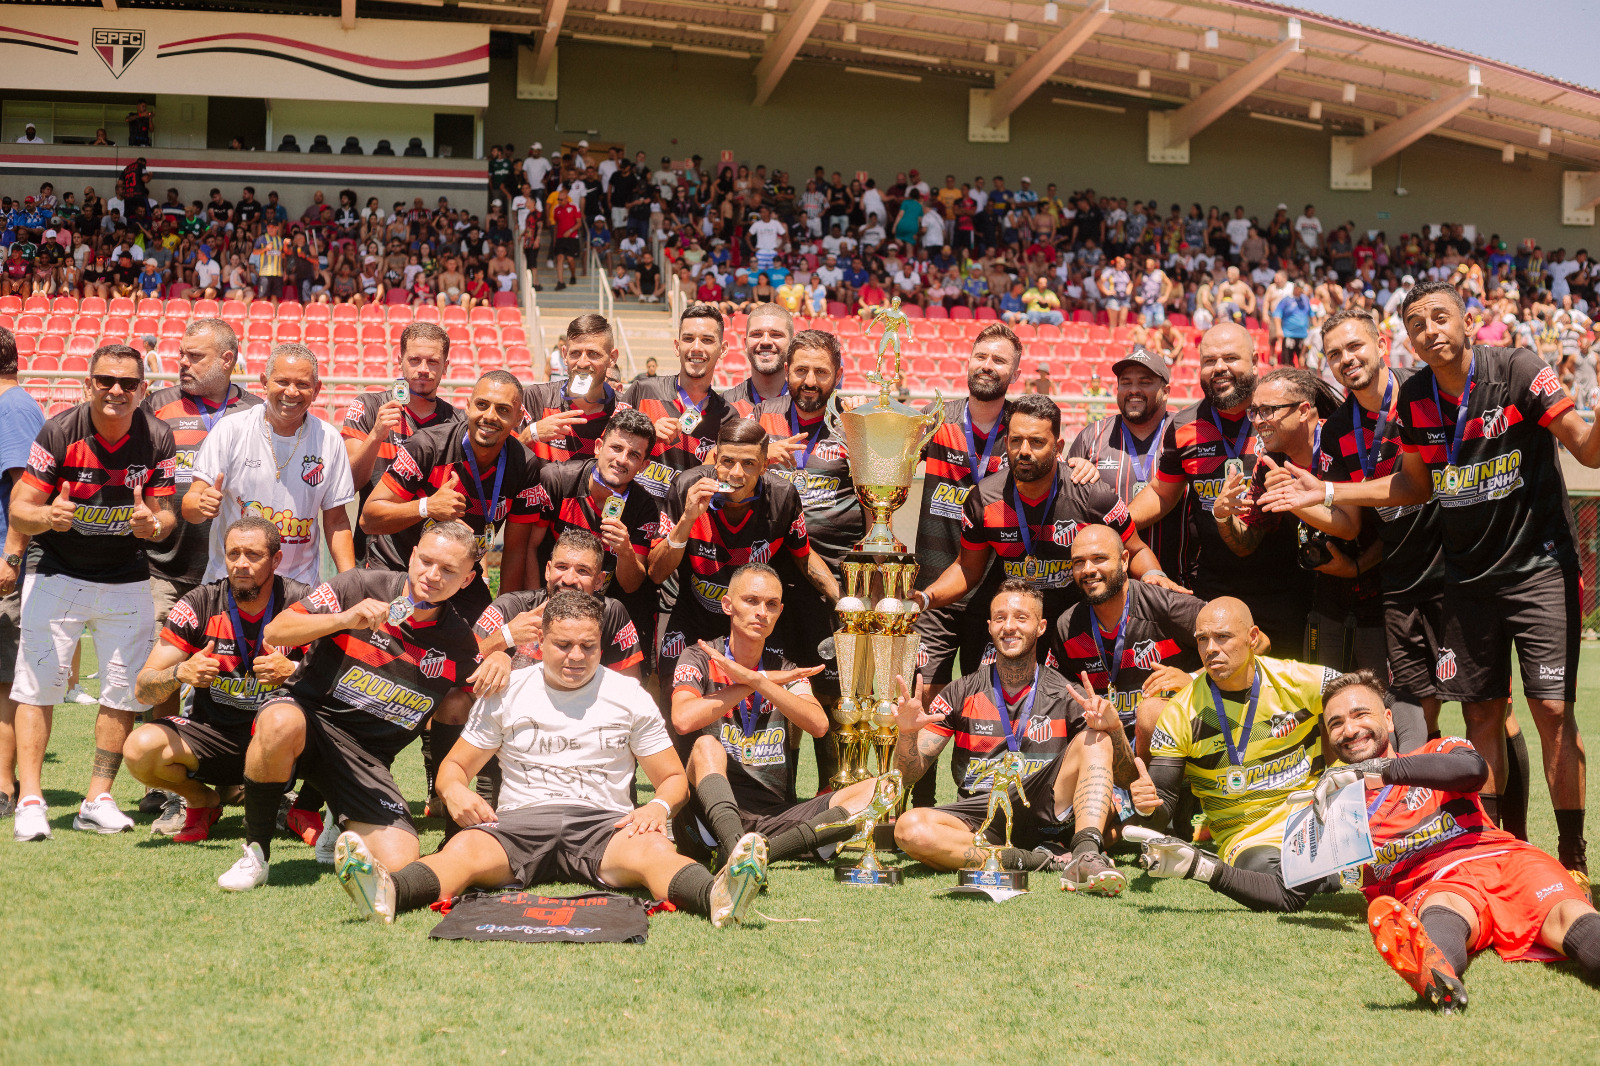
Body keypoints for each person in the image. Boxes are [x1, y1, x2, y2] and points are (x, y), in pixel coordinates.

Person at [1261, 279, 1600, 879]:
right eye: (1419, 323)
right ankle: (1491, 851)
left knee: (1547, 711)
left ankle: (1565, 853)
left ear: (1468, 322)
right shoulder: (1395, 407)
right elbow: (1405, 489)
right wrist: (1322, 490)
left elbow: (1586, 448)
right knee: (1477, 717)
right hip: (1445, 583)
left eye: (1441, 318)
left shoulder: (1513, 369)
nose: (1431, 331)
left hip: (1522, 571)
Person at [329, 589, 768, 928]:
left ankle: (718, 896)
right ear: (541, 640)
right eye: (563, 645)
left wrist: (655, 806)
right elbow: (455, 766)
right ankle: (387, 892)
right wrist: (453, 790)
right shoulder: (509, 689)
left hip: (604, 823)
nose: (576, 657)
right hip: (519, 821)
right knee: (461, 852)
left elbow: (673, 777)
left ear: (601, 645)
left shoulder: (628, 696)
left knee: (655, 850)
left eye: (588, 647)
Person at [216, 521, 492, 892]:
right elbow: (276, 631)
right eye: (426, 561)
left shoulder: (458, 640)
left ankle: (338, 818)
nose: (432, 575)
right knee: (279, 720)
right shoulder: (360, 585)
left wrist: (502, 659)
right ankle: (256, 853)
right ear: (412, 556)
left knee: (401, 861)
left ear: (467, 579)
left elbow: (482, 687)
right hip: (308, 724)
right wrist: (344, 620)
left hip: (368, 760)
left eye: (448, 570)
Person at [1318, 671, 1600, 1012]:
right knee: (1444, 908)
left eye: (1360, 714)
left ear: (1388, 720)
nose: (1349, 729)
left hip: (1505, 859)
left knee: (1568, 915)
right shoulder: (1334, 807)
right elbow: (1287, 889)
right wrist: (1231, 874)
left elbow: (1472, 771)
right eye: (1336, 723)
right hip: (1435, 882)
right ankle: (1437, 975)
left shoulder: (1437, 750)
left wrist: (1380, 770)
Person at [1134, 599, 1419, 900]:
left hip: (1318, 811)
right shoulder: (1180, 713)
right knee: (1265, 873)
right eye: (1202, 639)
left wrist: (1411, 764)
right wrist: (1147, 806)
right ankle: (1339, 868)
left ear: (1252, 638)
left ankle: (1352, 855)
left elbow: (1387, 703)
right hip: (1248, 836)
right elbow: (1161, 805)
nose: (1210, 649)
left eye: (1223, 637)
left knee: (1368, 732)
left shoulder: (1298, 680)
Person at [8, 344, 178, 841]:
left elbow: (166, 516)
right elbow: (20, 509)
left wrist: (155, 523)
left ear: (143, 389)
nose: (116, 391)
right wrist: (47, 517)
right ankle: (33, 800)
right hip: (57, 571)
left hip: (126, 575)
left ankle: (97, 798)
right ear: (89, 384)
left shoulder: (158, 436)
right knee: (37, 689)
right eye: (105, 380)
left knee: (122, 692)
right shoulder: (59, 430)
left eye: (128, 383)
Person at [891, 581, 1129, 893]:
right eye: (1000, 618)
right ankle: (1039, 860)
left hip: (1046, 812)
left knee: (1096, 739)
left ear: (1041, 626)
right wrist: (907, 735)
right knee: (909, 830)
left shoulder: (1066, 693)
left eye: (1021, 617)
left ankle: (1085, 854)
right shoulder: (960, 691)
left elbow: (1124, 775)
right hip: (981, 816)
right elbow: (906, 775)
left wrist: (1113, 729)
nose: (1009, 626)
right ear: (989, 627)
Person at [671, 563, 880, 864]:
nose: (761, 612)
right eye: (751, 601)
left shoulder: (784, 669)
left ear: (780, 611)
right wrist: (751, 684)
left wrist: (759, 680)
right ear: (728, 605)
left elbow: (819, 725)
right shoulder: (700, 657)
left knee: (875, 790)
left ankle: (763, 852)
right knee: (706, 746)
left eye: (771, 604)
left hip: (774, 816)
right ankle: (734, 849)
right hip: (708, 816)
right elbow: (683, 719)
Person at [915, 394, 1170, 635]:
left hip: (1076, 626)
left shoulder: (1092, 495)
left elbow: (1135, 550)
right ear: (1006, 443)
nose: (1024, 450)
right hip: (1017, 625)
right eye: (1016, 440)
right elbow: (967, 568)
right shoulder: (984, 499)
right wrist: (927, 597)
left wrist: (1153, 576)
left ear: (1058, 446)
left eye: (1037, 442)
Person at [123, 517, 308, 842]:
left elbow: (342, 681)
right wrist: (180, 672)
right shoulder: (199, 604)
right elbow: (143, 687)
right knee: (140, 749)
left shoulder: (302, 603)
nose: (241, 564)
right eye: (233, 554)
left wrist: (293, 671)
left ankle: (291, 803)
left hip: (281, 744)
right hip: (214, 739)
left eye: (253, 555)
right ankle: (200, 800)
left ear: (276, 560)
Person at [647, 418, 837, 736]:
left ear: (764, 465)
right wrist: (687, 519)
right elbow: (656, 572)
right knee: (673, 690)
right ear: (715, 459)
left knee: (775, 695)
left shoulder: (782, 495)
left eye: (749, 464)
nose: (736, 473)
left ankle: (763, 774)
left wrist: (841, 598)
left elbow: (803, 558)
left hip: (753, 619)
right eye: (727, 462)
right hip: (696, 613)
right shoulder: (687, 486)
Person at [1130, 322, 1305, 656]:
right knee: (1218, 697)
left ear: (1255, 361)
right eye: (1209, 360)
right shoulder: (1184, 425)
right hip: (1214, 587)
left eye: (1230, 358)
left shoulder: (1282, 413)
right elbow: (1162, 493)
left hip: (1285, 587)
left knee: (1283, 697)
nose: (1219, 368)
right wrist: (1115, 524)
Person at [909, 325, 1020, 804]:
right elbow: (882, 462)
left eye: (999, 360)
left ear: (1014, 371)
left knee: (988, 704)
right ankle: (915, 803)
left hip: (998, 594)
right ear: (967, 361)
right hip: (934, 589)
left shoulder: (1024, 428)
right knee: (922, 696)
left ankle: (980, 804)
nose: (987, 366)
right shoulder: (935, 418)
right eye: (981, 356)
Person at [754, 330, 861, 786]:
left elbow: (879, 498)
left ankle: (830, 795)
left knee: (833, 691)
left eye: (821, 371)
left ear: (838, 374)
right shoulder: (761, 421)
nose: (810, 380)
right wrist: (760, 454)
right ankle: (779, 797)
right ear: (786, 372)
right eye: (801, 370)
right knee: (782, 686)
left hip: (835, 581)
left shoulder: (854, 425)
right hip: (774, 580)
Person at [142, 320, 262, 714]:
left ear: (227, 360)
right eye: (182, 354)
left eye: (195, 356)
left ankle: (229, 769)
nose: (183, 363)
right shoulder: (156, 405)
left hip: (234, 572)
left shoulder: (258, 411)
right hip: (165, 568)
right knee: (165, 675)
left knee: (231, 675)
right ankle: (163, 772)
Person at [358, 370, 537, 623]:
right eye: (482, 405)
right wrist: (426, 507)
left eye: (503, 410)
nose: (489, 416)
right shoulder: (428, 445)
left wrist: (505, 611)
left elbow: (516, 550)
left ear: (519, 417)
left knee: (484, 645)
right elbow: (369, 518)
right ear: (468, 405)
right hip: (399, 567)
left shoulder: (525, 466)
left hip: (459, 577)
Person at [183, 344, 356, 587]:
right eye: (282, 381)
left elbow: (336, 521)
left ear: (316, 390)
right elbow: (190, 505)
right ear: (264, 382)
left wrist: (352, 581)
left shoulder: (329, 439)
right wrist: (201, 504)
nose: (292, 392)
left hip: (298, 590)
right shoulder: (231, 430)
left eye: (303, 384)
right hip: (231, 584)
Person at [524, 410, 662, 675]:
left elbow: (631, 584)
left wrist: (625, 551)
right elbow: (529, 548)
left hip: (604, 611)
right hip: (552, 599)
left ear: (644, 465)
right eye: (616, 448)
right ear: (599, 447)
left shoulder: (644, 507)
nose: (622, 460)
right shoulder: (557, 480)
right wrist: (536, 607)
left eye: (634, 455)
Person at [1050, 525, 1204, 760]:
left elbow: (1253, 643)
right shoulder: (1067, 626)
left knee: (1151, 714)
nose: (1088, 570)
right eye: (1079, 562)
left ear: (1124, 560)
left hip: (1170, 743)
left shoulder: (1166, 605)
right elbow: (1056, 694)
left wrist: (1193, 679)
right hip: (1107, 744)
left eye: (1099, 558)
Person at [1065, 347, 1189, 580]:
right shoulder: (1092, 437)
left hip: (1179, 582)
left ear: (1166, 390)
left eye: (1145, 382)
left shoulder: (1185, 433)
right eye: (1125, 382)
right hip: (1107, 588)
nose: (1133, 390)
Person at [341, 322, 460, 564]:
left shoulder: (459, 423)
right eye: (414, 359)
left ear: (446, 367)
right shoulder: (369, 407)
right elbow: (348, 485)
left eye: (433, 361)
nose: (423, 369)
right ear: (400, 360)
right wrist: (376, 435)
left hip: (436, 562)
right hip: (375, 560)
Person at [474, 529, 643, 681]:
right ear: (548, 570)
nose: (568, 580)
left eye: (582, 571)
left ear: (599, 581)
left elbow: (630, 690)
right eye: (561, 567)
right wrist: (506, 638)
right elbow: (462, 664)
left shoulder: (611, 613)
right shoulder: (512, 606)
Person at [621, 302, 734, 501]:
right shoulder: (642, 390)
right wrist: (647, 435)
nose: (696, 348)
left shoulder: (728, 417)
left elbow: (730, 489)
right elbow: (605, 451)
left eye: (707, 340)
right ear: (677, 346)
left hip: (689, 526)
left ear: (723, 350)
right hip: (633, 523)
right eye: (688, 339)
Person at [0, 327, 45, 819]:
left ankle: (5, 785)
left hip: (4, 561)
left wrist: (10, 557)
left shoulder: (12, 409)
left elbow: (25, 492)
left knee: (4, 678)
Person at [520, 314, 625, 464]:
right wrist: (531, 434)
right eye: (575, 353)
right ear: (564, 355)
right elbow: (503, 463)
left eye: (593, 354)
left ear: (612, 358)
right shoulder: (536, 398)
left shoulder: (625, 410)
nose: (582, 363)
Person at [720, 303, 793, 416]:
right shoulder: (725, 405)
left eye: (776, 334)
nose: (765, 341)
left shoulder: (806, 405)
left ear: (792, 344)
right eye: (756, 334)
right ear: (745, 343)